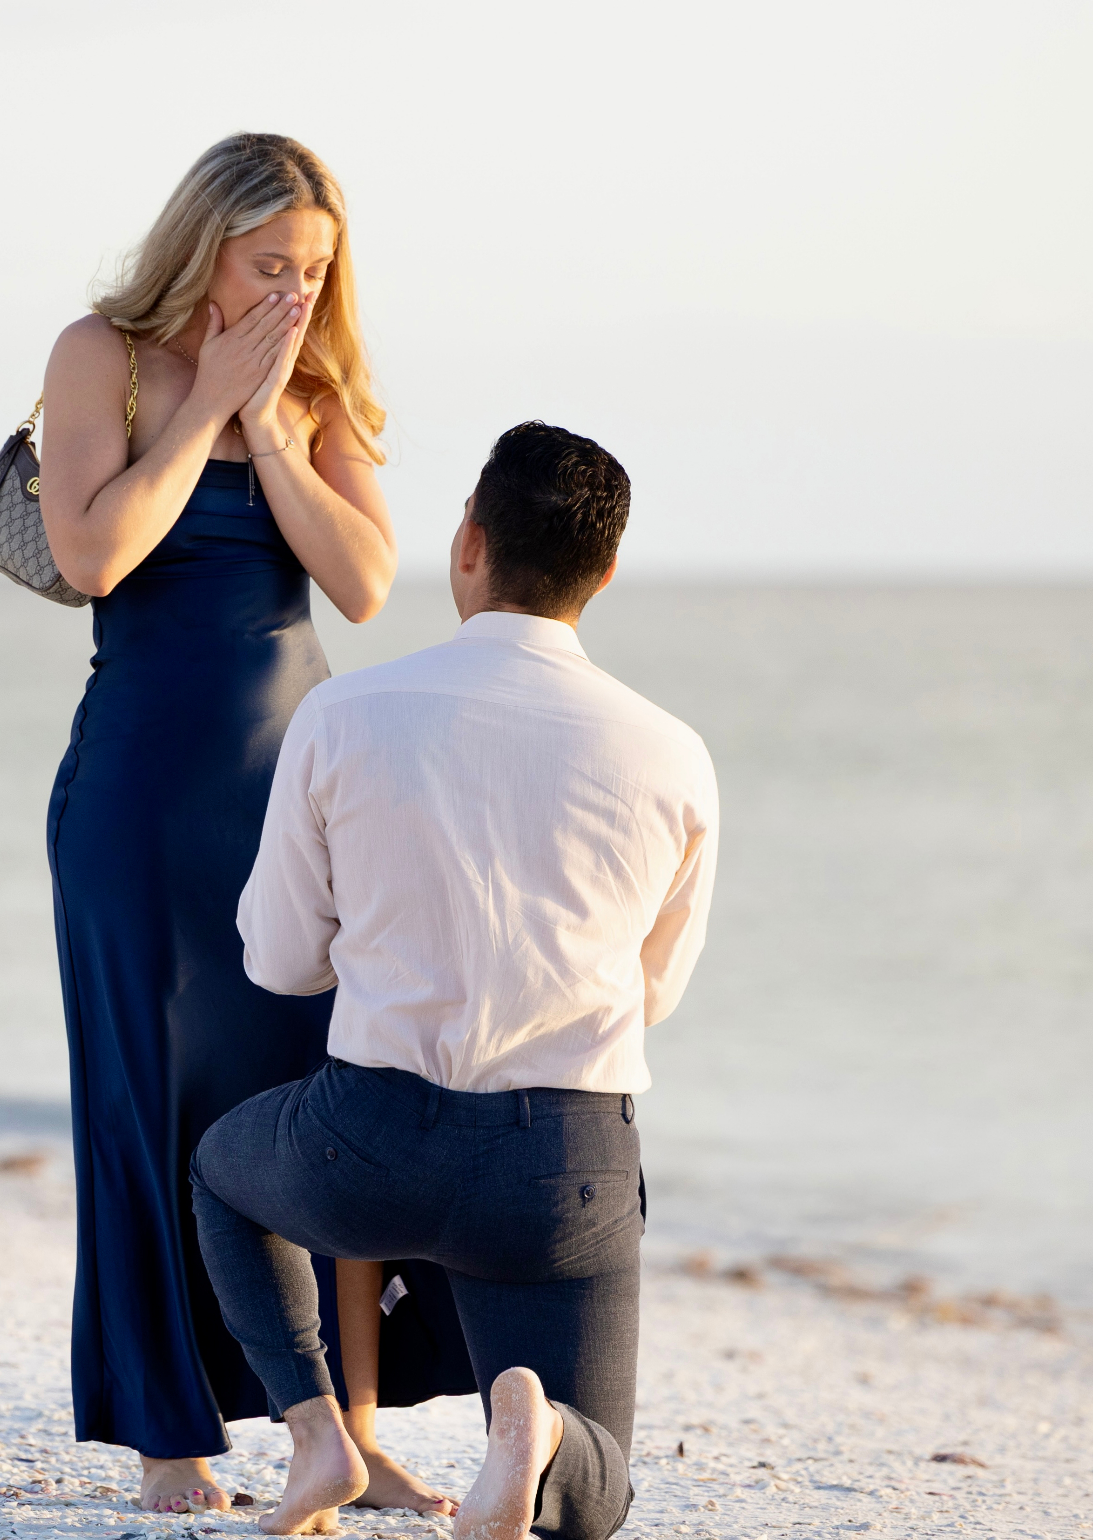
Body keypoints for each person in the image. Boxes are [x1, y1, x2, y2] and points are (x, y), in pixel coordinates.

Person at [190, 421, 721, 1540]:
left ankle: (320, 1431)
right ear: (606, 573)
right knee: (599, 1494)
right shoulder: (672, 751)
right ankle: (535, 1436)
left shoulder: (345, 715)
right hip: (558, 1169)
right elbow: (654, 992)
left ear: (466, 543)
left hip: (370, 1144)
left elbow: (281, 961)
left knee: (223, 1173)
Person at [38, 132, 463, 1516]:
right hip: (141, 797)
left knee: (322, 1103)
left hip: (301, 790)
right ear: (203, 245)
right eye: (270, 261)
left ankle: (344, 1427)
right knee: (150, 1100)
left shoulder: (319, 384)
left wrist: (273, 425)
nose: (294, 288)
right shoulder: (100, 354)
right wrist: (203, 404)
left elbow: (364, 582)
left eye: (315, 268)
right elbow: (94, 554)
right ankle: (174, 1440)